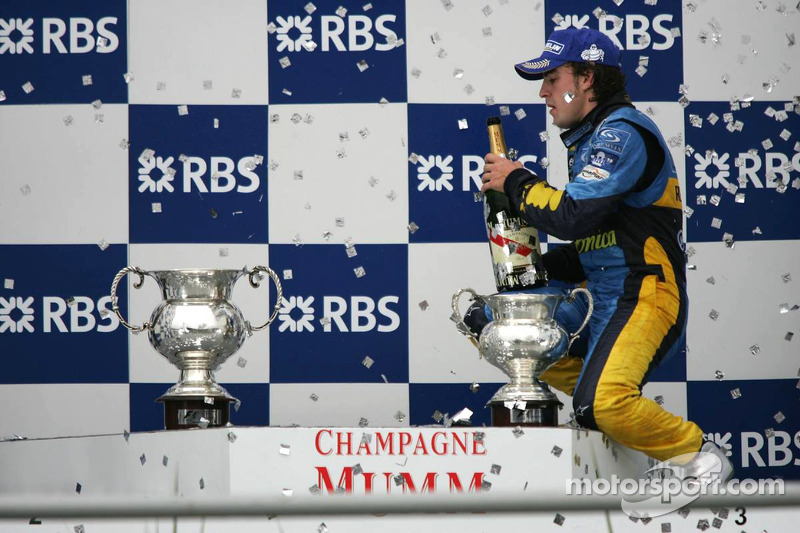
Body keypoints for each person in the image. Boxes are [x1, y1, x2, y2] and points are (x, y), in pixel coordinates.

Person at [470, 27, 732, 480]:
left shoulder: (621, 133)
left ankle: (701, 459)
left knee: (605, 402)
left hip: (643, 295)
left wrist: (516, 181)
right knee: (496, 323)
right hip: (606, 297)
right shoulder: (592, 140)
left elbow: (572, 216)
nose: (544, 91)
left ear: (586, 78)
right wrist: (531, 270)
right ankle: (612, 441)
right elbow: (596, 244)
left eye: (553, 78)